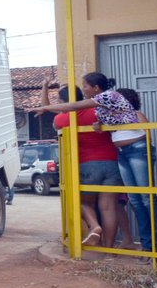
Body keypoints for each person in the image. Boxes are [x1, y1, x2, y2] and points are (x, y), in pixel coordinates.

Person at [30, 73, 121, 248]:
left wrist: (44, 88)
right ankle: (110, 251)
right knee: (109, 208)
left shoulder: (62, 119)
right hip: (112, 162)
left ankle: (95, 227)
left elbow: (48, 109)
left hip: (87, 165)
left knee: (82, 202)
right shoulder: (97, 110)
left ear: (64, 101)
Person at [113, 87, 157, 254]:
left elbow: (147, 134)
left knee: (147, 198)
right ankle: (147, 247)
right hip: (122, 155)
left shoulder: (136, 114)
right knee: (135, 200)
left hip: (137, 152)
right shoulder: (114, 118)